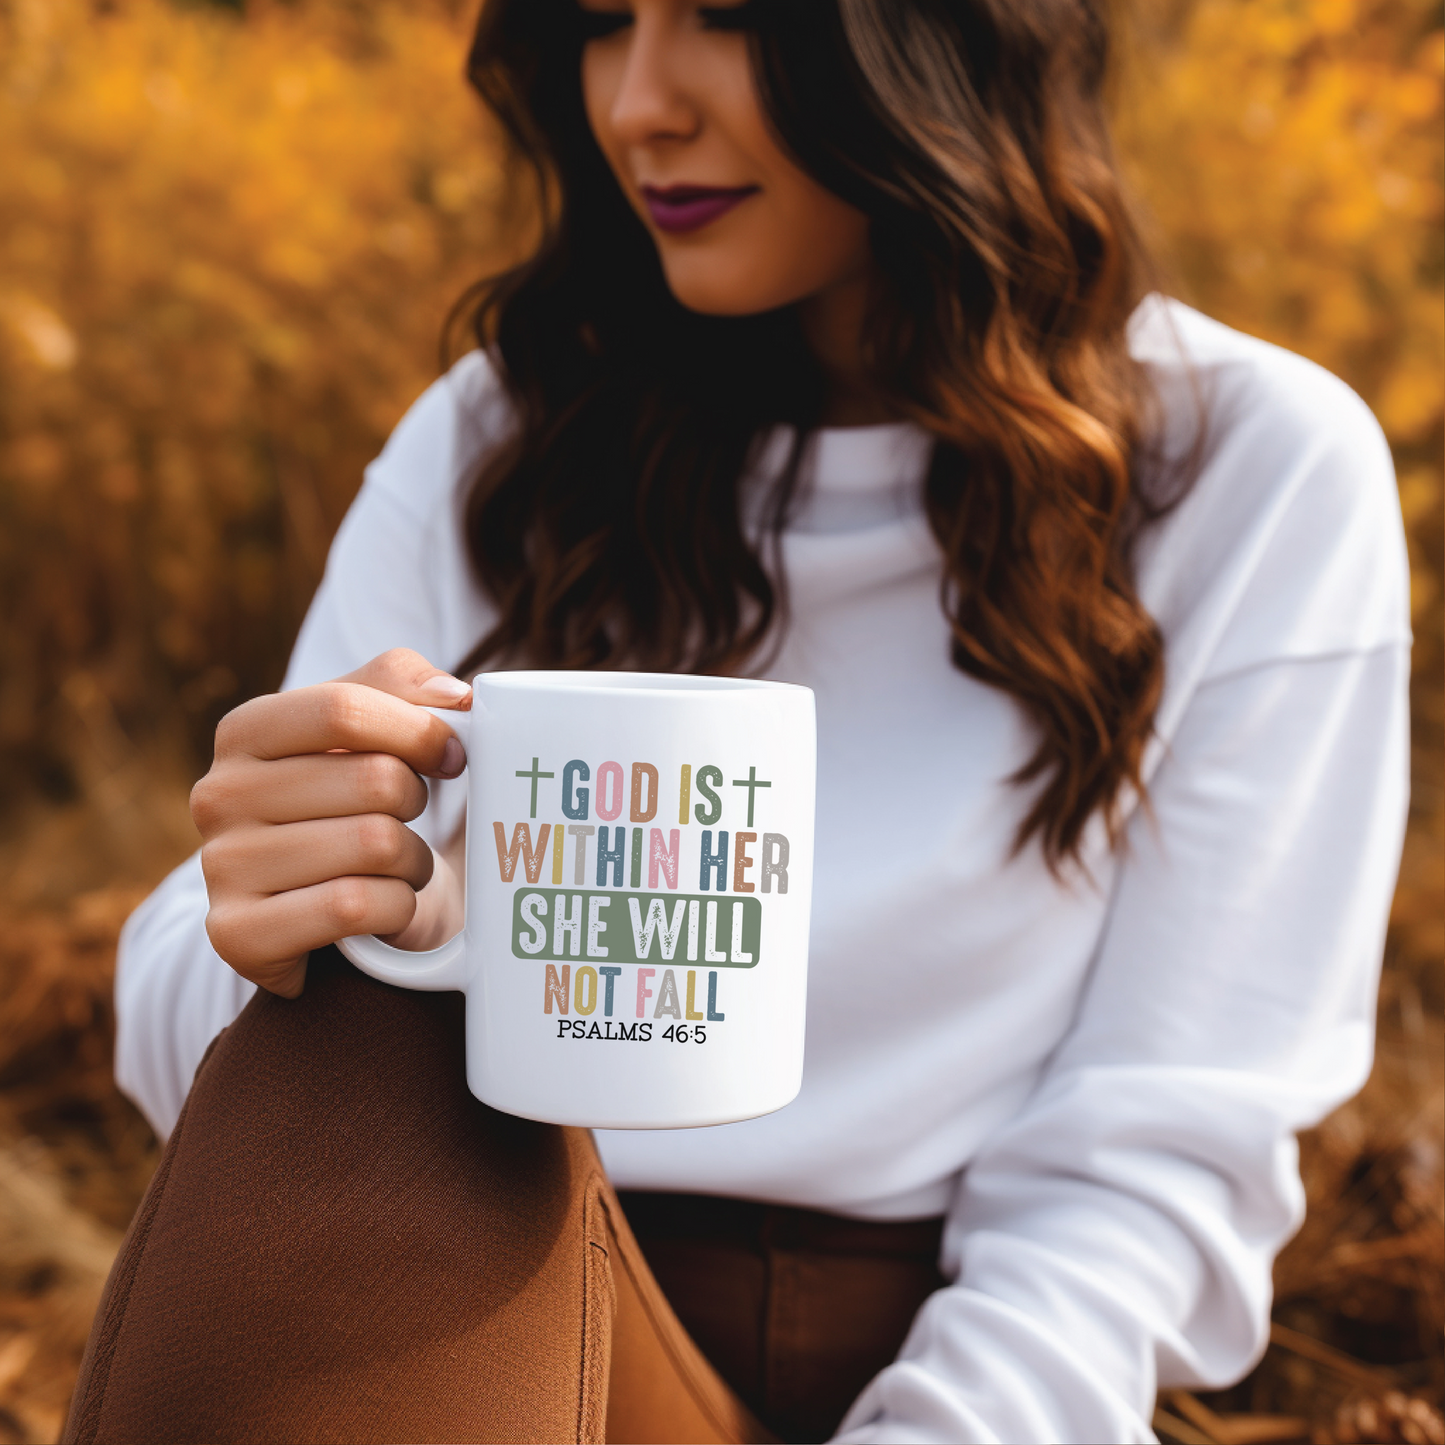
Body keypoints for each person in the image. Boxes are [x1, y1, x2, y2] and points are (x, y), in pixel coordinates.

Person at [65, 0, 1411, 1441]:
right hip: (480, 1297)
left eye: (729, 14)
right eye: (596, 22)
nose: (641, 104)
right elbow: (216, 1083)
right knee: (348, 1043)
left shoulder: (1247, 472)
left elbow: (1162, 1149)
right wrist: (313, 922)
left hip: (939, 1374)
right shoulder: (502, 440)